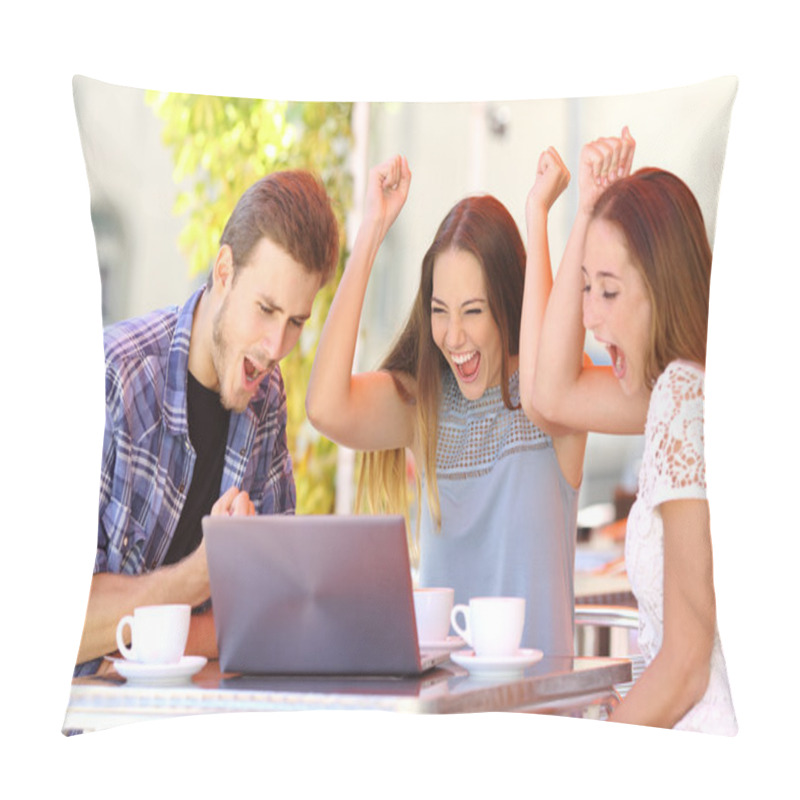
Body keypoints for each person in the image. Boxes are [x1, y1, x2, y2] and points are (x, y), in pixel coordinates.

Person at [306, 154, 588, 656]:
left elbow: (544, 379)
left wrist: (537, 216)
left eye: (473, 312)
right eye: (439, 312)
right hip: (442, 711)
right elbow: (326, 407)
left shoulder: (555, 397)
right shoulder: (426, 403)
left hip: (538, 717)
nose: (453, 337)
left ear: (508, 301)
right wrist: (372, 230)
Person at [75, 170, 340, 676]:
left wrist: (131, 642)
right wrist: (198, 578)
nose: (275, 346)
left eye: (296, 322)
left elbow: (274, 613)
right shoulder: (114, 381)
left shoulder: (266, 400)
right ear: (223, 272)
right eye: (265, 309)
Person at [528, 127, 737, 733]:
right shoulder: (687, 386)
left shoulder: (679, 395)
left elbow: (687, 665)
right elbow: (552, 395)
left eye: (609, 292)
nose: (590, 316)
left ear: (663, 287)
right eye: (587, 288)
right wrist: (587, 210)